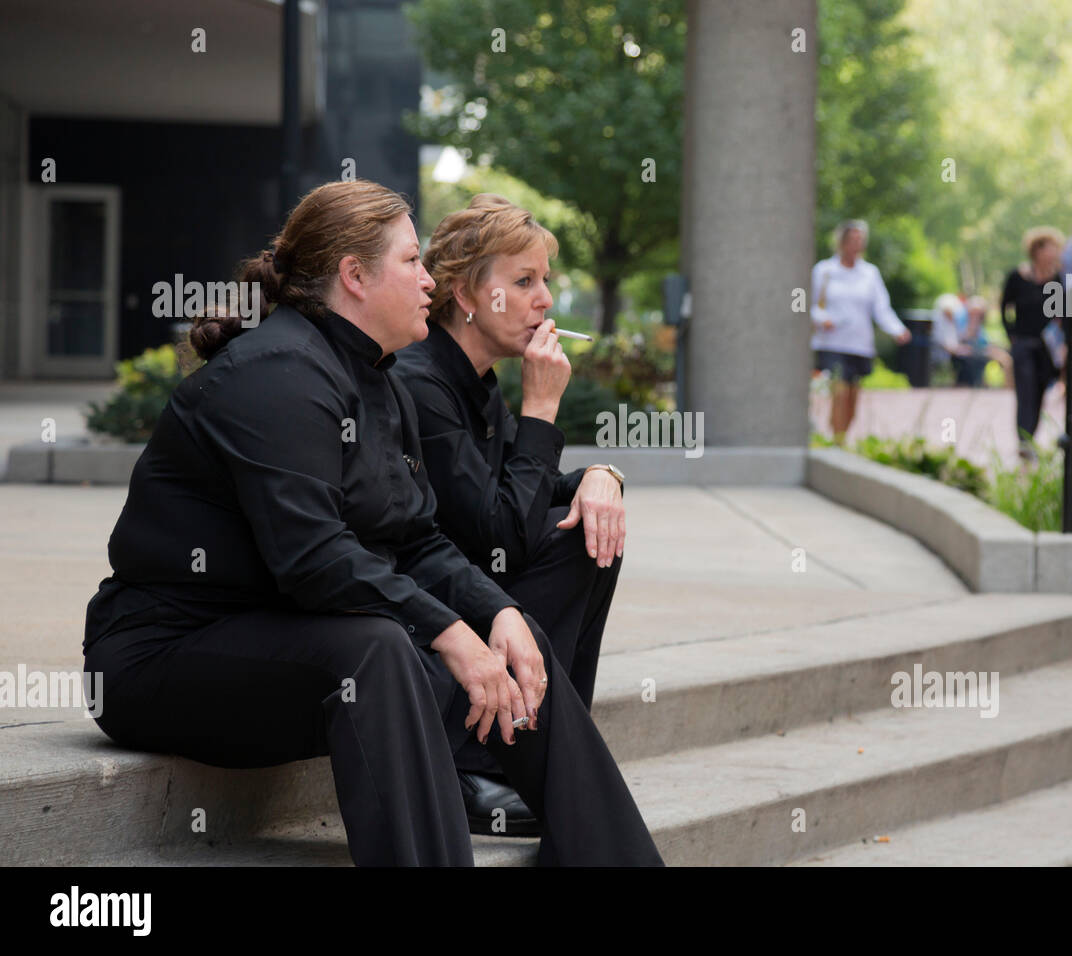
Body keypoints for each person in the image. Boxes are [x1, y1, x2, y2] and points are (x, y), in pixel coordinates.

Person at [81, 179, 663, 867]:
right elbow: (315, 558)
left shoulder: (375, 379)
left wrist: (495, 613)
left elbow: (413, 538)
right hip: (161, 659)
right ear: (354, 276)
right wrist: (452, 633)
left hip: (284, 640)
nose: (430, 281)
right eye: (414, 262)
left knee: (512, 632)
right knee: (379, 645)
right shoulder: (274, 373)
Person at [393, 194, 625, 835]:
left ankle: (548, 739)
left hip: (467, 593)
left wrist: (603, 477)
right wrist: (543, 411)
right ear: (468, 294)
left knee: (594, 530)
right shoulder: (422, 384)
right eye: (524, 282)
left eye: (544, 280)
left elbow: (529, 488)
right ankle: (472, 762)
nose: (546, 299)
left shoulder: (477, 379)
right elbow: (503, 537)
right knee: (571, 542)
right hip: (421, 615)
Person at [809, 218, 911, 444]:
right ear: (841, 242)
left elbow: (881, 307)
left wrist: (897, 330)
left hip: (859, 345)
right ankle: (837, 442)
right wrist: (822, 319)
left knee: (852, 401)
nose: (856, 244)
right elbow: (809, 304)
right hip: (832, 343)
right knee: (840, 393)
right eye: (852, 239)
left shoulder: (870, 273)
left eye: (860, 240)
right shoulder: (824, 270)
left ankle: (840, 437)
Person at [1001, 226, 1064, 460]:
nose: (1055, 252)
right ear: (1037, 250)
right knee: (1025, 391)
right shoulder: (1017, 277)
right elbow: (1004, 306)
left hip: (1047, 348)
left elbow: (1063, 313)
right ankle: (1024, 440)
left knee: (1038, 392)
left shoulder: (1058, 278)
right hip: (1024, 345)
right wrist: (1011, 334)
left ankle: (1030, 438)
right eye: (1051, 248)